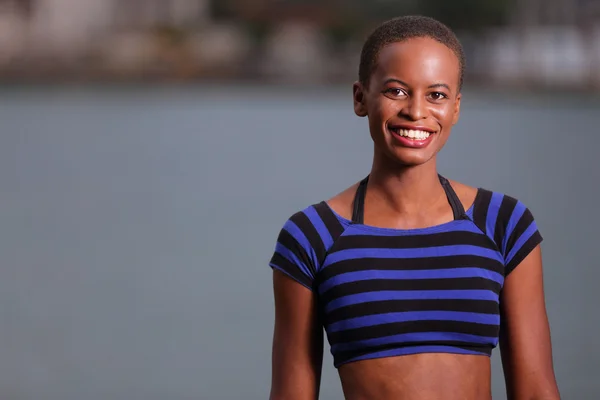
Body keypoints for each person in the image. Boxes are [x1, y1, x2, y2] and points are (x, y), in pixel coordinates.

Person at [267, 15, 560, 400]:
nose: (416, 111)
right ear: (360, 98)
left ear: (456, 107)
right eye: (397, 91)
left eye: (436, 95)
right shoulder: (312, 237)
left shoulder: (503, 224)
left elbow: (537, 390)